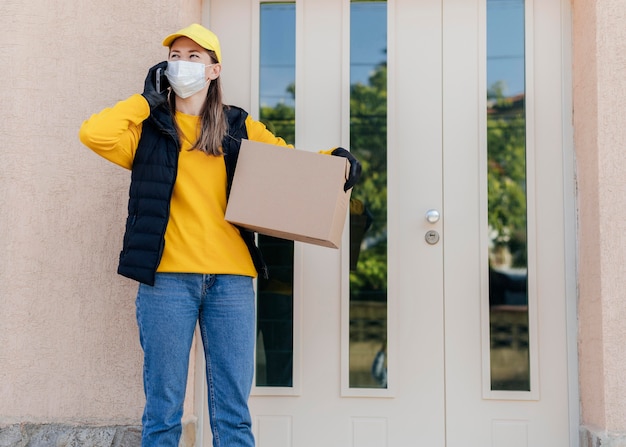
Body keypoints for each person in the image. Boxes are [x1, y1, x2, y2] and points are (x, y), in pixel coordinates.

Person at [79, 23, 360, 447]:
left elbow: (287, 164)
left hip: (230, 282)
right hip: (166, 281)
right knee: (163, 411)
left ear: (214, 70)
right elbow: (93, 134)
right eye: (175, 56)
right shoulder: (147, 131)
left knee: (232, 414)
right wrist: (144, 101)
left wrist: (336, 161)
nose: (183, 64)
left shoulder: (239, 127)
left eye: (195, 57)